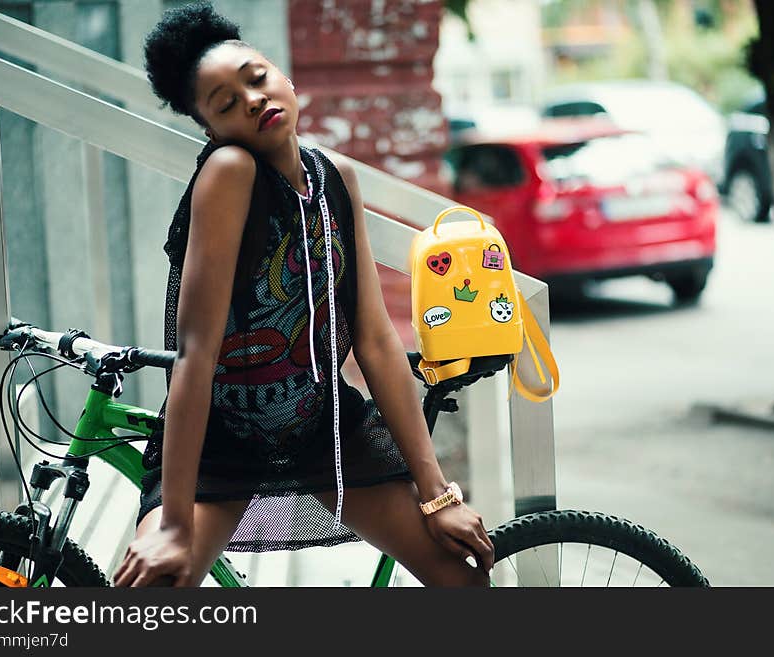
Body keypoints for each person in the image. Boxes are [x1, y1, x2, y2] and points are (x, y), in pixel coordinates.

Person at [111, 1, 493, 588]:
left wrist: (438, 496)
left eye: (256, 77)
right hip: (222, 442)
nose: (253, 100)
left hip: (323, 427)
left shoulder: (335, 176)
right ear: (212, 130)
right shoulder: (230, 172)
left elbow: (374, 339)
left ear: (282, 76)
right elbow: (195, 353)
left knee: (463, 577)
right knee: (153, 596)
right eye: (225, 104)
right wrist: (175, 526)